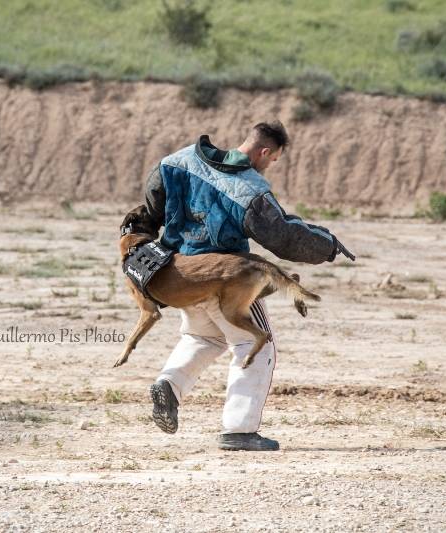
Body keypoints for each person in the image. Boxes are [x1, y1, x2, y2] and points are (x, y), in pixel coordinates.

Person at [139, 121, 343, 451]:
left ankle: (169, 382)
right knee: (255, 344)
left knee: (203, 336)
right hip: (226, 276)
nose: (270, 165)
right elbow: (283, 236)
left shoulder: (174, 162)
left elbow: (149, 211)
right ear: (265, 152)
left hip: (181, 274)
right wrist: (327, 244)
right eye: (273, 159)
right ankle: (240, 430)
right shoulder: (248, 187)